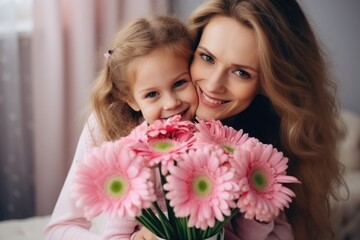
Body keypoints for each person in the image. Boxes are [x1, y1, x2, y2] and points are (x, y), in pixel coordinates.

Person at [187, 0, 345, 239]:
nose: (213, 84)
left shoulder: (271, 160)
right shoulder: (143, 124)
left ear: (269, 84)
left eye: (241, 72)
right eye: (207, 58)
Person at [43, 15, 198, 240]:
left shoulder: (215, 134)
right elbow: (59, 230)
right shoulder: (116, 140)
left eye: (180, 83)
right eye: (152, 94)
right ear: (131, 100)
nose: (171, 103)